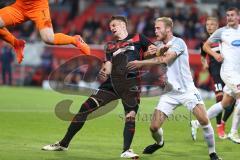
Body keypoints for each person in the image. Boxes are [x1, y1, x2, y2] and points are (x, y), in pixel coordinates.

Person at [42, 15, 155, 159]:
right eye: (110, 27)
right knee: (85, 108)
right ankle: (63, 144)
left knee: (130, 116)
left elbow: (154, 50)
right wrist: (104, 70)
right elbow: (108, 65)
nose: (111, 28)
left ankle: (126, 150)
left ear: (122, 25)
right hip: (112, 84)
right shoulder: (110, 46)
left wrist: (157, 51)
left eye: (114, 25)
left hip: (131, 83)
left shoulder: (139, 38)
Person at [127, 17, 221, 160]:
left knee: (204, 121)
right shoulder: (158, 43)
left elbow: (165, 59)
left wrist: (141, 62)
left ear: (168, 29)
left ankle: (213, 153)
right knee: (153, 127)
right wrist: (151, 52)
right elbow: (148, 53)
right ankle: (159, 143)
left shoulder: (179, 43)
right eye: (155, 28)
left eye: (158, 28)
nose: (155, 31)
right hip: (169, 93)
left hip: (187, 91)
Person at [191, 7, 240, 144]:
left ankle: (197, 123)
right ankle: (233, 132)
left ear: (238, 16)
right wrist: (215, 55)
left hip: (238, 72)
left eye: (232, 15)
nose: (229, 17)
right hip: (227, 72)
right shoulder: (222, 32)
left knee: (225, 103)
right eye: (227, 15)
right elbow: (205, 46)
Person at [0, 0, 90, 64]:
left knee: (48, 38)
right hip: (20, 6)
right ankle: (16, 43)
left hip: (39, 7)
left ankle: (74, 39)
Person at [200, 17, 234, 139]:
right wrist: (204, 63)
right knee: (219, 98)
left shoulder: (225, 38)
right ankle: (219, 125)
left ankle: (223, 123)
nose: (209, 26)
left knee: (231, 101)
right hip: (216, 73)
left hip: (230, 73)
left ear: (217, 25)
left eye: (212, 24)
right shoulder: (205, 42)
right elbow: (203, 56)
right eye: (207, 24)